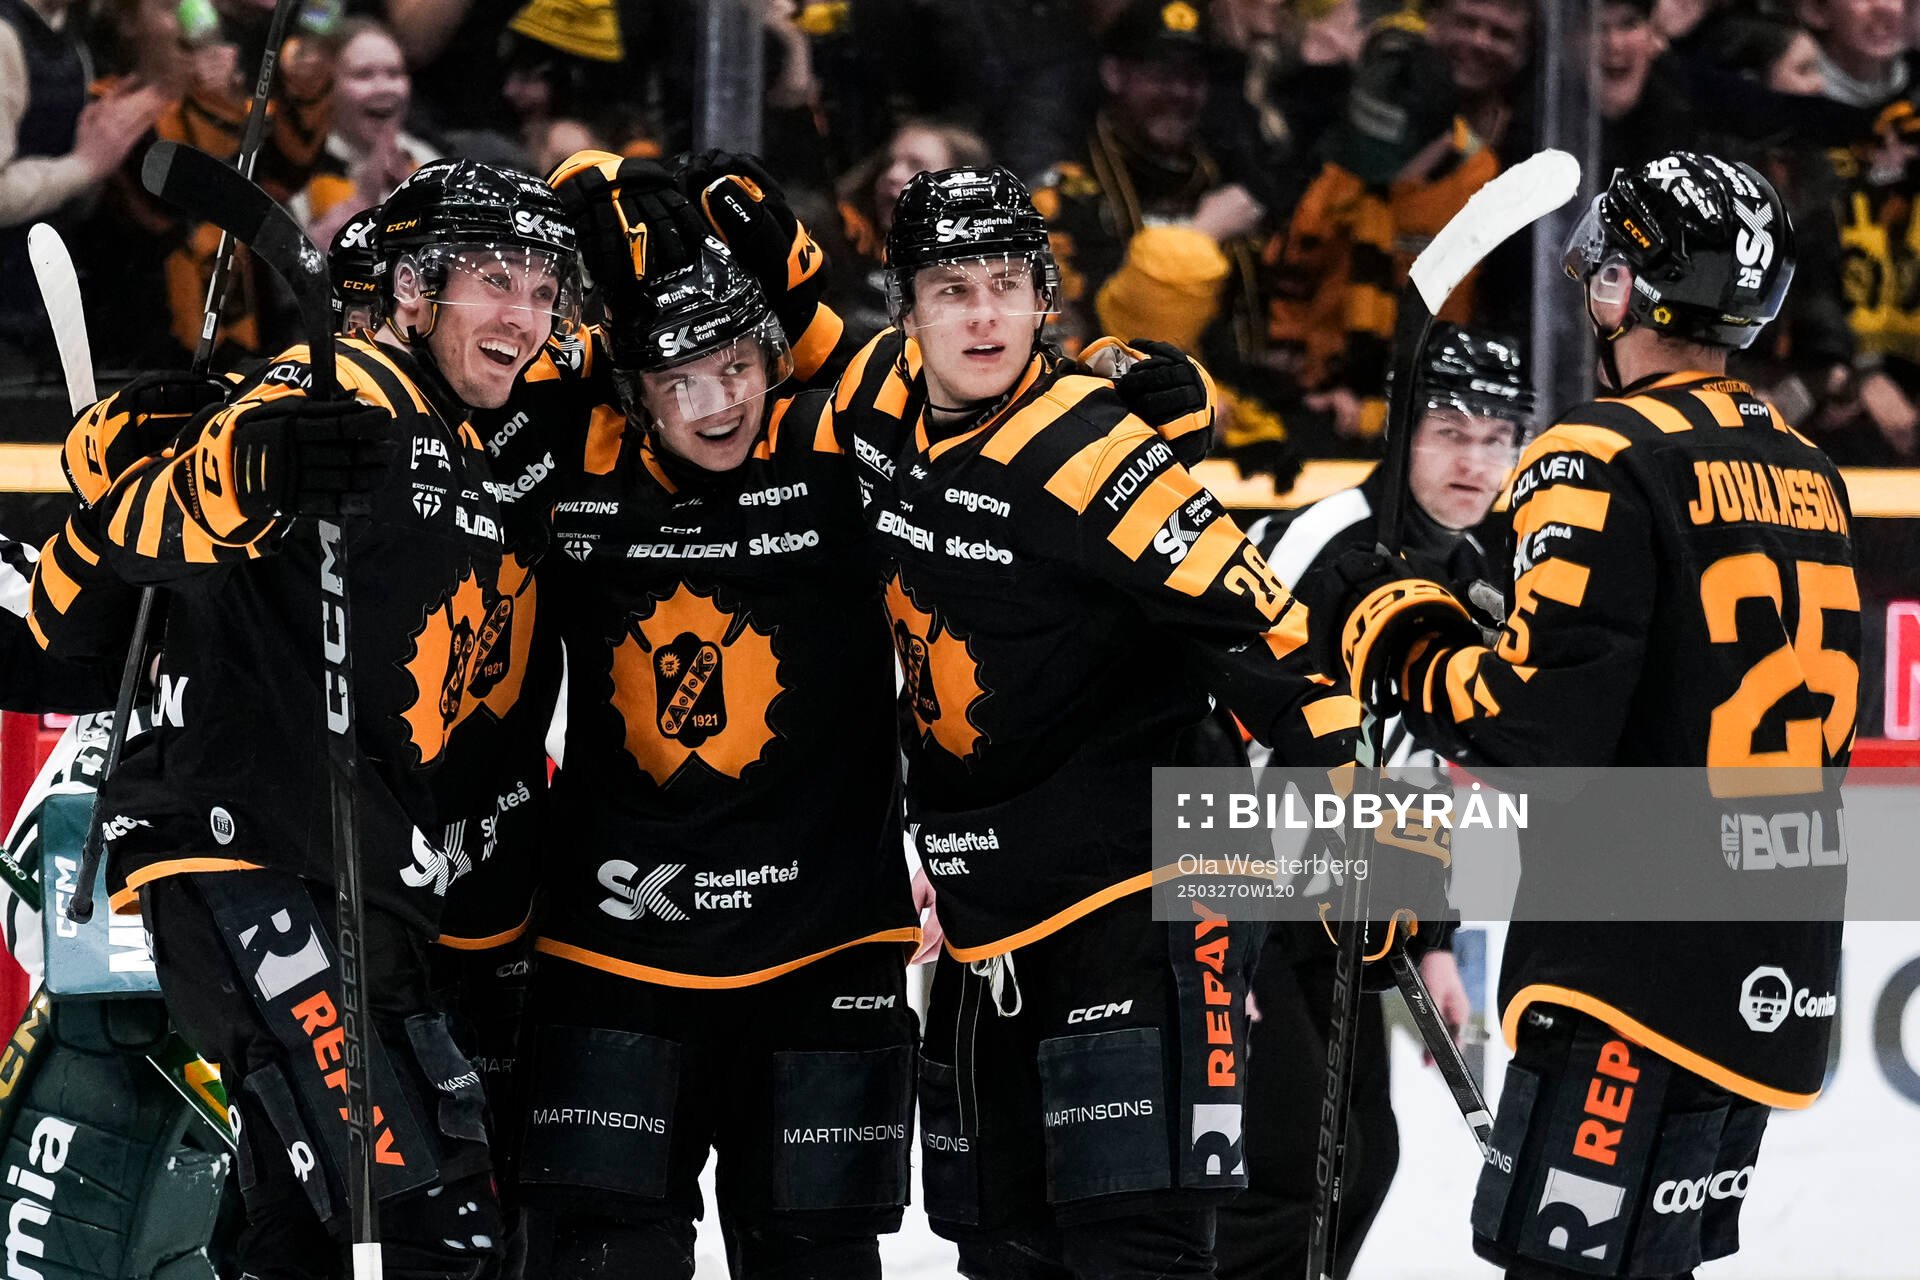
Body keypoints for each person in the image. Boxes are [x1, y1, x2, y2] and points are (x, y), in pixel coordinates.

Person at [1300, 151, 1858, 1280]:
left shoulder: (1601, 450)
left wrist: (1400, 633)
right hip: (1773, 957)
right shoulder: (1813, 470)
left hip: (1630, 974)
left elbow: (1529, 733)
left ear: (1626, 292)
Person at [28, 156, 581, 1280]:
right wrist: (259, 463)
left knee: (306, 1233)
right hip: (254, 860)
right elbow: (165, 516)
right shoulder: (354, 386)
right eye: (492, 279)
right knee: (430, 1224)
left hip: (357, 876)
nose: (522, 315)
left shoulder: (472, 435)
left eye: (540, 286)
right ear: (415, 290)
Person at [831, 163, 1360, 1280]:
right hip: (989, 902)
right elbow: (782, 337)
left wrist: (1377, 866)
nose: (983, 314)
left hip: (1146, 884)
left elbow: (1271, 638)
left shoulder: (1093, 448)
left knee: (1140, 1248)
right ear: (906, 303)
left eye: (1007, 285)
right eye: (951, 286)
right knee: (999, 1244)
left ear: (1045, 299)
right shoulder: (873, 393)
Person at [1214, 321, 1526, 1280]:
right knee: (1287, 1171)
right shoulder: (1322, 540)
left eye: (1496, 436)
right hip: (1245, 900)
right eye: (1449, 430)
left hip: (1339, 909)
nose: (1474, 458)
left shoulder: (1476, 576)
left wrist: (1434, 937)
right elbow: (1212, 720)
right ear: (1401, 431)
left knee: (1361, 1162)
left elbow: (1420, 768)